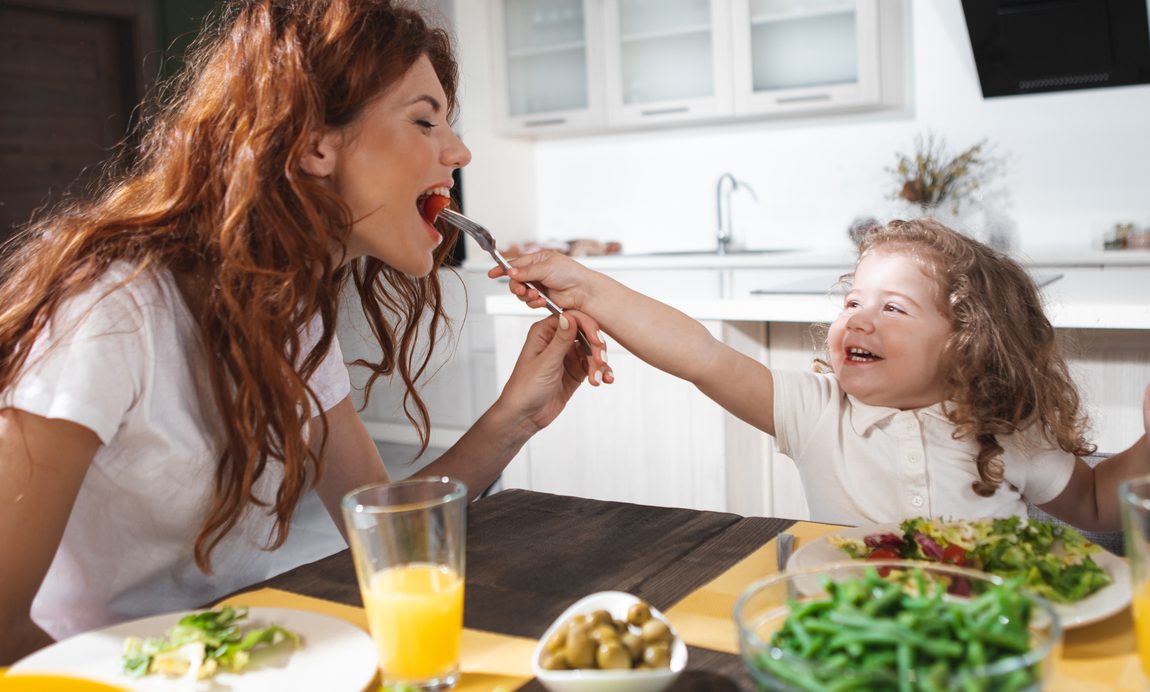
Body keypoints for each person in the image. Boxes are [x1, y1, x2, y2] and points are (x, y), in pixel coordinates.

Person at [0, 0, 610, 663]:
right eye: (424, 121)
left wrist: (514, 417)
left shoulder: (283, 310)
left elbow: (382, 527)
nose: (458, 151)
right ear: (316, 142)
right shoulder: (114, 309)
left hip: (236, 660)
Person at [498, 218, 1150, 530]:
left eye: (892, 308)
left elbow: (1097, 504)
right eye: (852, 301)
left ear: (968, 345)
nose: (858, 320)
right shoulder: (816, 411)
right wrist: (588, 288)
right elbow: (702, 355)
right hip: (848, 642)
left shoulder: (1006, 430)